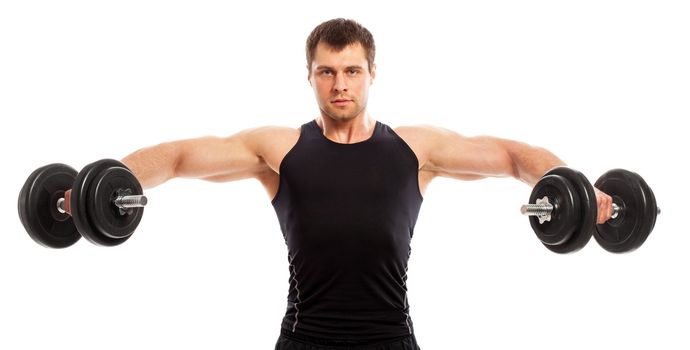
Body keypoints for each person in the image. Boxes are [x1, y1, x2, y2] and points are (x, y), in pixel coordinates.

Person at [69, 18, 614, 350]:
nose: (339, 83)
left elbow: (513, 157)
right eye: (327, 71)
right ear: (310, 76)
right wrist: (101, 187)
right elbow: (183, 156)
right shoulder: (278, 150)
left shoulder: (416, 150)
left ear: (372, 73)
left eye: (351, 70)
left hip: (391, 340)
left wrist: (580, 194)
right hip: (304, 341)